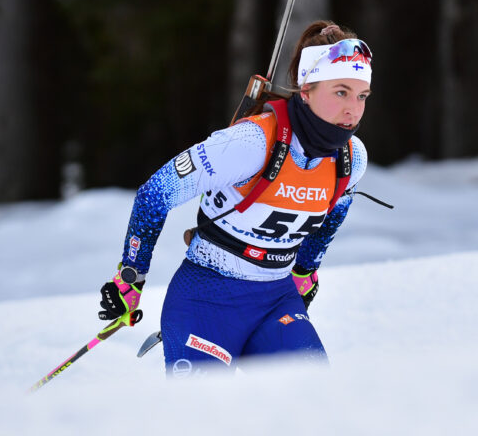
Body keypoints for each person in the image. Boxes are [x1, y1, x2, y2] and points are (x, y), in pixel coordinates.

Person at [97, 20, 373, 377]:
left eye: (362, 95)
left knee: (313, 407)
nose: (353, 109)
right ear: (306, 89)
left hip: (276, 300)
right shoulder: (251, 143)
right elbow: (157, 193)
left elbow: (338, 206)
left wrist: (306, 268)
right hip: (206, 297)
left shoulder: (352, 158)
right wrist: (131, 277)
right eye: (340, 92)